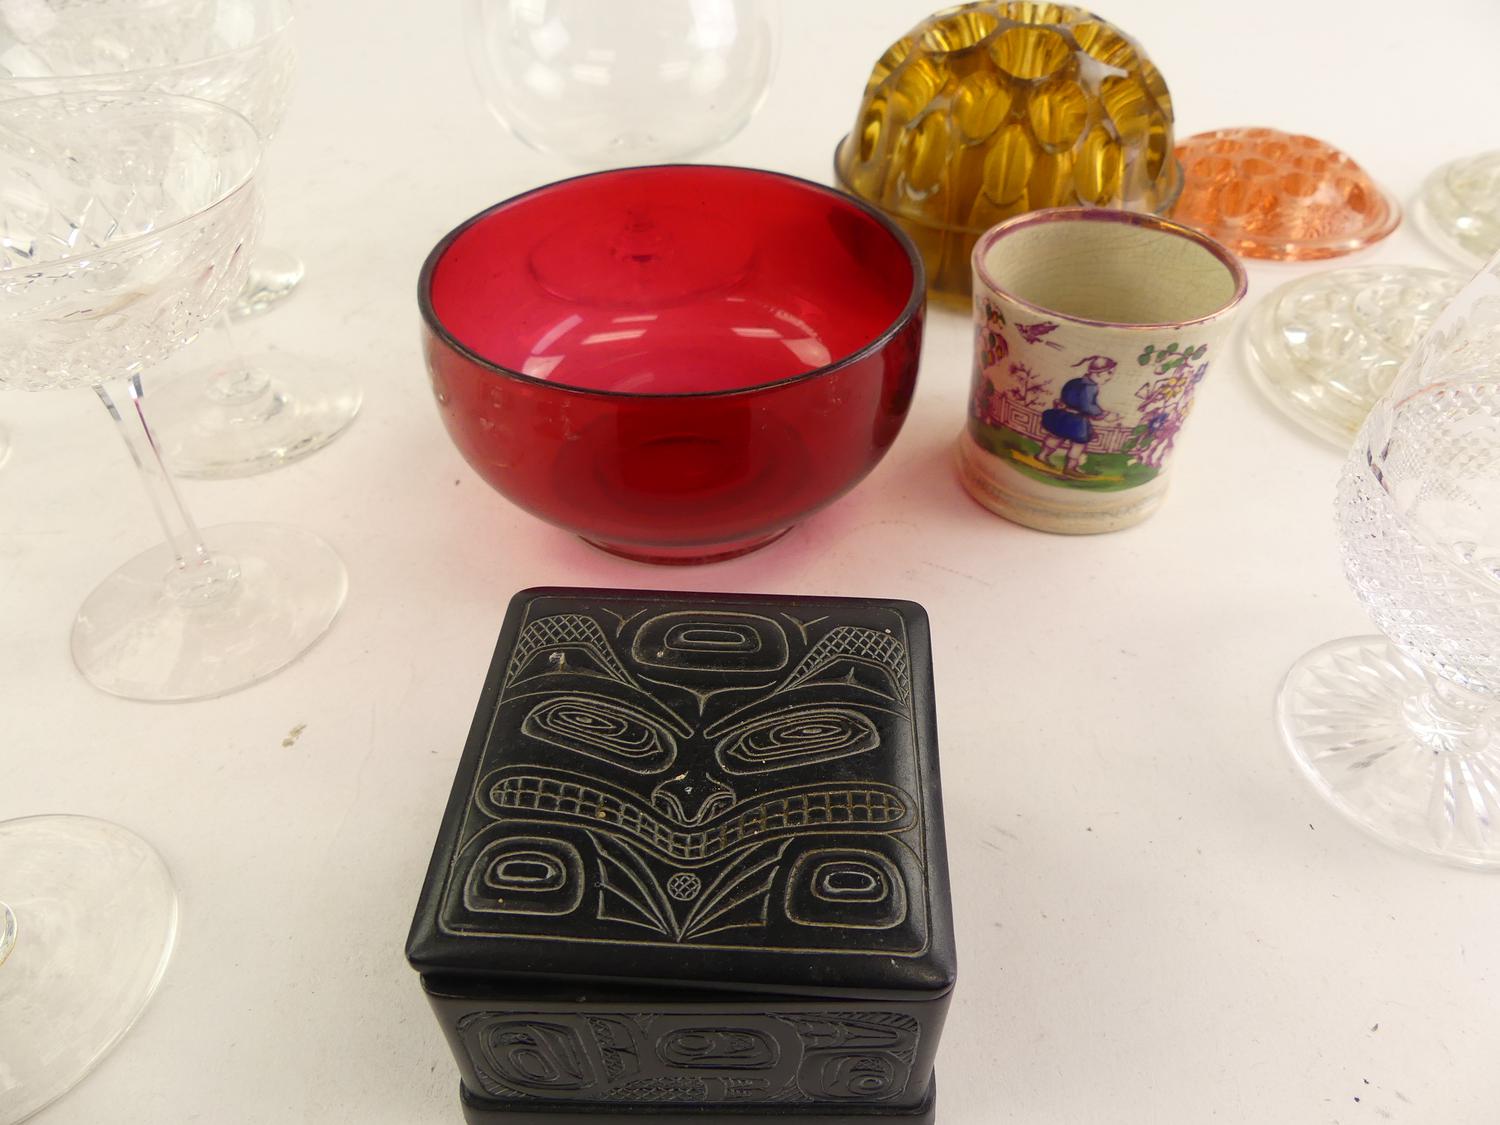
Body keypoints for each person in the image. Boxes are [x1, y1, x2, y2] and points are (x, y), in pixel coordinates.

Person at [1037, 355, 1117, 476]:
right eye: (1109, 373)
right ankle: (1070, 467)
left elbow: (1064, 395)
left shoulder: (1074, 381)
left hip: (1063, 415)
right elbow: (1088, 406)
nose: (1110, 377)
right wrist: (1103, 414)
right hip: (1077, 420)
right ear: (1099, 373)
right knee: (1078, 444)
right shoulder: (1090, 387)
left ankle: (1042, 455)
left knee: (1056, 436)